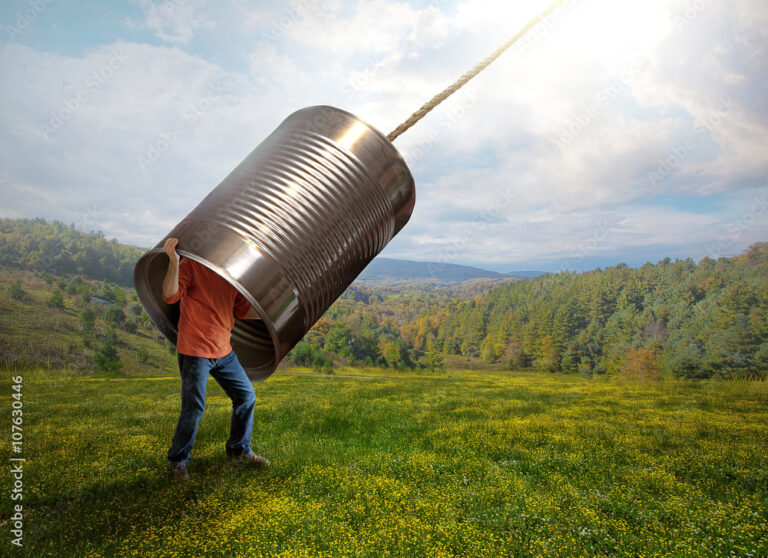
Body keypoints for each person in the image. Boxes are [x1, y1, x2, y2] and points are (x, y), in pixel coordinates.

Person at [161, 237, 270, 480]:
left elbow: (242, 310)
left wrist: (270, 306)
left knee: (246, 396)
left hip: (224, 352)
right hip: (194, 351)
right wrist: (173, 261)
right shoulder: (192, 265)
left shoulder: (234, 274)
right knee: (194, 408)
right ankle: (178, 461)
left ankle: (239, 450)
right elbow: (169, 296)